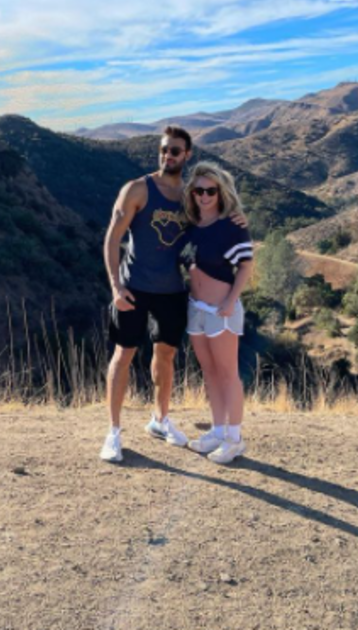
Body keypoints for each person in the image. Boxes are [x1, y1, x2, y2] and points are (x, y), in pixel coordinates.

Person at [99, 128, 247, 463]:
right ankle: (114, 433)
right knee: (123, 355)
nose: (168, 156)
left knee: (165, 355)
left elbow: (215, 215)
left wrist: (237, 215)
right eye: (164, 150)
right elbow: (112, 237)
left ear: (187, 154)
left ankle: (161, 420)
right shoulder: (138, 189)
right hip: (133, 288)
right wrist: (114, 285)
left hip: (173, 292)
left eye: (176, 151)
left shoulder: (190, 195)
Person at [182, 162, 254, 465]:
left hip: (221, 309)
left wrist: (230, 302)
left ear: (221, 192)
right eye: (198, 190)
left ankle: (234, 439)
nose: (204, 195)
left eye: (210, 190)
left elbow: (246, 266)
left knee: (228, 374)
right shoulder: (190, 225)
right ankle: (218, 429)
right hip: (196, 309)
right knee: (210, 373)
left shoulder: (231, 226)